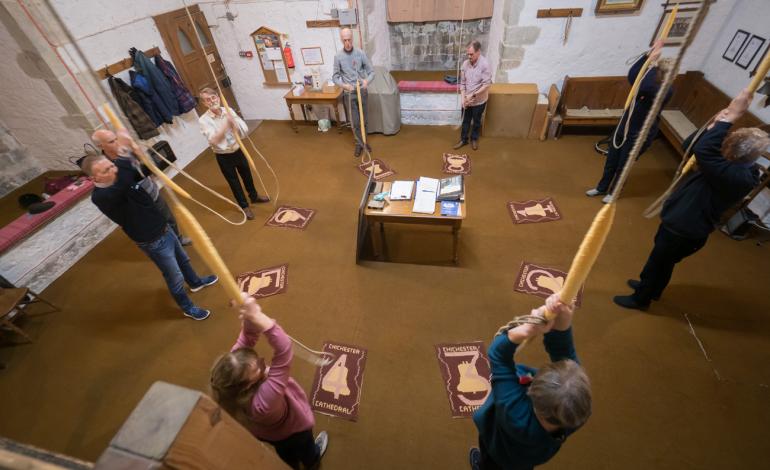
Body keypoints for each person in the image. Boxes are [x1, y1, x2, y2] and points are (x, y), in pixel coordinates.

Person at [614, 88, 768, 310]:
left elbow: (705, 151)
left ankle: (641, 298)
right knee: (661, 261)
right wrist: (714, 124)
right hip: (681, 223)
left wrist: (731, 118)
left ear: (735, 152)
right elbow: (692, 147)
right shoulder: (730, 167)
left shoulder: (735, 176)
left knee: (660, 262)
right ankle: (650, 287)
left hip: (685, 228)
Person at [82, 153, 217, 320]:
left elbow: (136, 169)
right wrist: (123, 153)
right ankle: (187, 307)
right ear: (94, 178)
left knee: (183, 259)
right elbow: (124, 177)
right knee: (174, 276)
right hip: (152, 240)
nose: (113, 170)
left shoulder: (120, 179)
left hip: (163, 227)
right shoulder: (102, 196)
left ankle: (195, 283)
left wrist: (132, 152)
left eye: (111, 166)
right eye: (106, 170)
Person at [470, 294, 591, 470]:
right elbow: (566, 357)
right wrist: (562, 325)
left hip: (498, 450)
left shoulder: (516, 414)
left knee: (491, 462)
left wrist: (525, 330)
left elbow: (498, 357)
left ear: (531, 393)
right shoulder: (577, 411)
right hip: (524, 459)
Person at [210, 295, 329, 469]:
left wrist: (249, 317)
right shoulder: (264, 402)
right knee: (305, 447)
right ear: (247, 385)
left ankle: (292, 465)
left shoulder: (232, 373)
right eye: (258, 367)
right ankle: (312, 461)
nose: (262, 362)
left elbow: (248, 337)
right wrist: (258, 316)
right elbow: (284, 349)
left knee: (284, 452)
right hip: (295, 430)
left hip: (272, 436)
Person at [586, 40, 673, 203]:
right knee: (611, 161)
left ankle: (614, 192)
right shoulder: (648, 81)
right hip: (624, 127)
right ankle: (602, 187)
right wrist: (647, 57)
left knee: (623, 166)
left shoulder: (664, 90)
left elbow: (643, 85)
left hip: (638, 134)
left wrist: (652, 63)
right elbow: (633, 76)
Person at [91, 129, 192, 246]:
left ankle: (178, 240)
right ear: (100, 146)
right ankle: (168, 246)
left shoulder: (126, 152)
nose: (117, 143)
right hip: (140, 203)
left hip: (151, 192)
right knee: (157, 227)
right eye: (111, 142)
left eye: (116, 139)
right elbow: (126, 181)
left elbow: (141, 169)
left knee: (169, 219)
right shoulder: (105, 165)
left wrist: (143, 158)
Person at [198, 87, 268, 221]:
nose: (212, 101)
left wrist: (234, 123)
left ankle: (254, 196)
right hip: (223, 156)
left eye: (213, 98)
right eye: (207, 100)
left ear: (218, 97)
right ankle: (244, 206)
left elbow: (242, 129)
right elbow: (214, 140)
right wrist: (226, 124)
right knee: (234, 182)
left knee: (247, 174)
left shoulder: (228, 110)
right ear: (204, 104)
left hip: (238, 149)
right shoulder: (203, 120)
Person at [333, 27, 375, 158]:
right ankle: (359, 144)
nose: (347, 42)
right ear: (341, 40)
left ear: (352, 38)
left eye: (349, 39)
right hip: (349, 94)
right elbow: (335, 77)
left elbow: (371, 72)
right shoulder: (338, 57)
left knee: (365, 120)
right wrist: (344, 85)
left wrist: (366, 82)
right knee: (355, 121)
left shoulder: (360, 54)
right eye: (344, 40)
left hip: (361, 92)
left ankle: (365, 141)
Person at [454, 40, 492, 151]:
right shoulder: (465, 65)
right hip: (467, 100)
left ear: (478, 52)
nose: (469, 56)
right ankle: (463, 139)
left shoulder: (485, 65)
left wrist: (473, 95)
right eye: (468, 54)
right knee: (465, 120)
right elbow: (462, 84)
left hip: (479, 101)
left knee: (476, 121)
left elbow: (486, 84)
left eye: (471, 54)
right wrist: (463, 99)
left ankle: (474, 139)